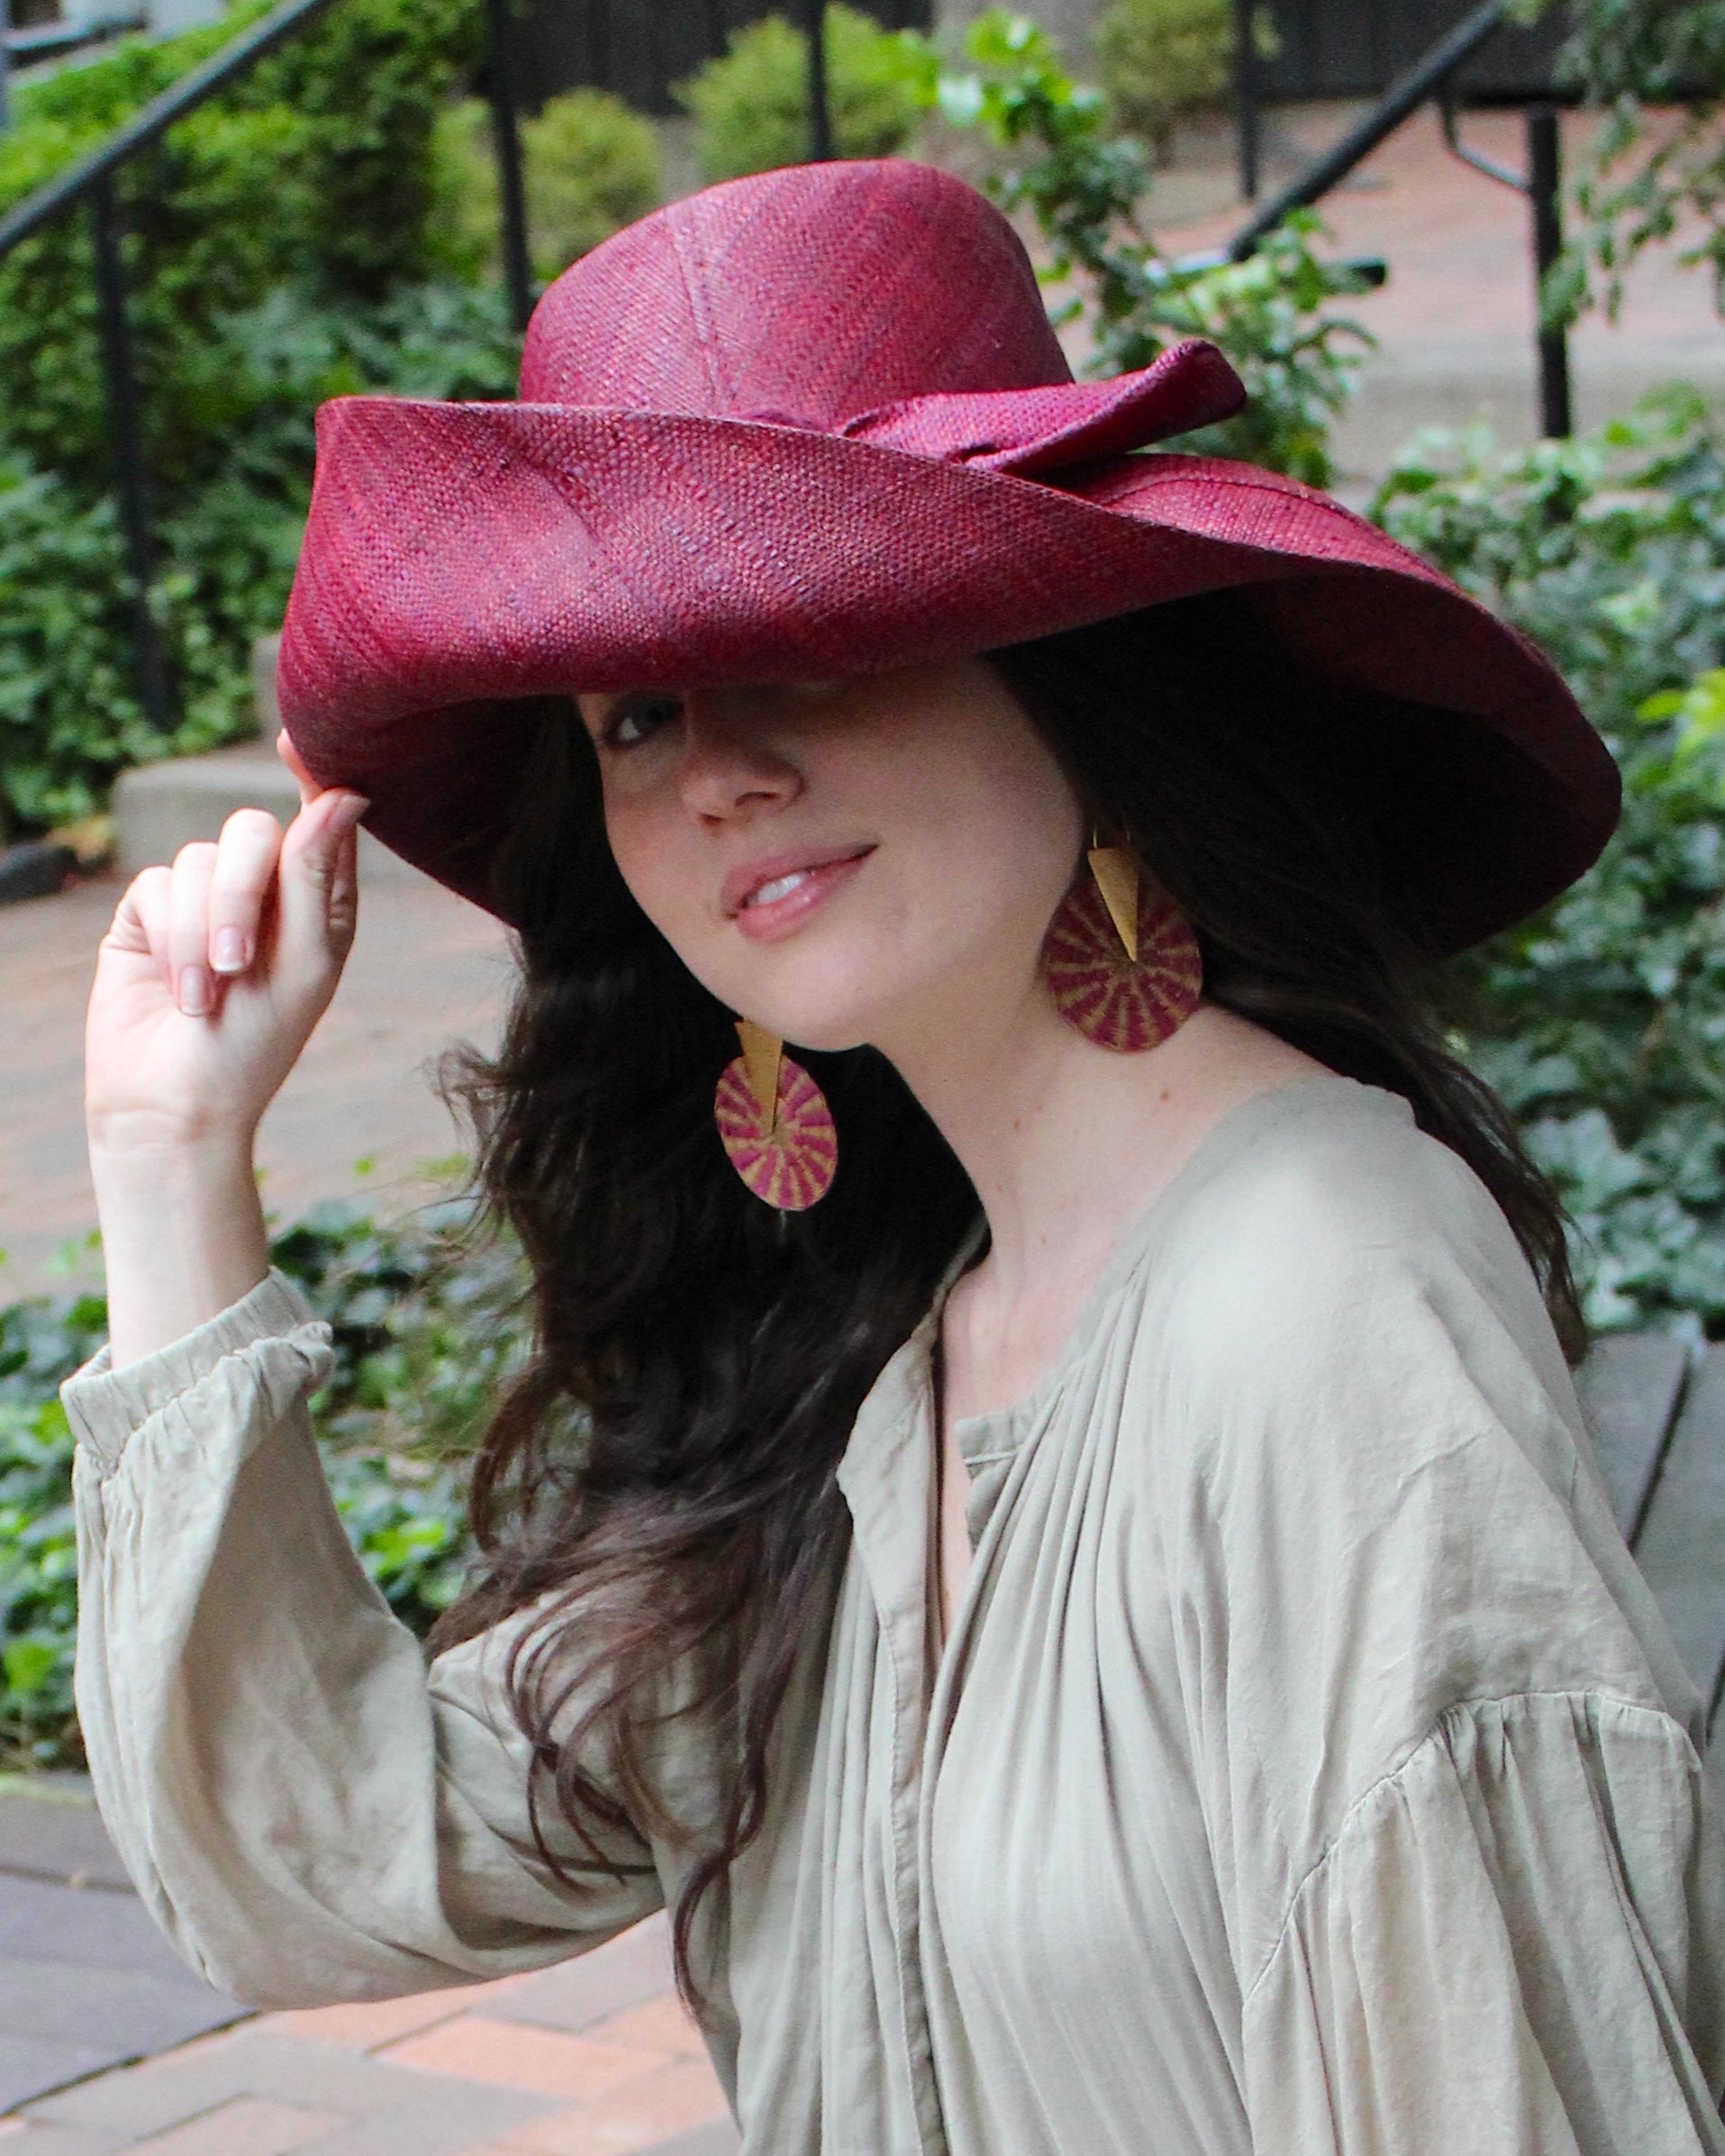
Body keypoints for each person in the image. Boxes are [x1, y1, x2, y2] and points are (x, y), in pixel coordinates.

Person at [65, 159, 1725, 2155]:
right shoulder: (890, 1352)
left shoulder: (1320, 1300)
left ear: (1067, 670)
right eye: (638, 710)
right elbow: (329, 1855)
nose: (719, 770)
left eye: (823, 634)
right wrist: (171, 1157)